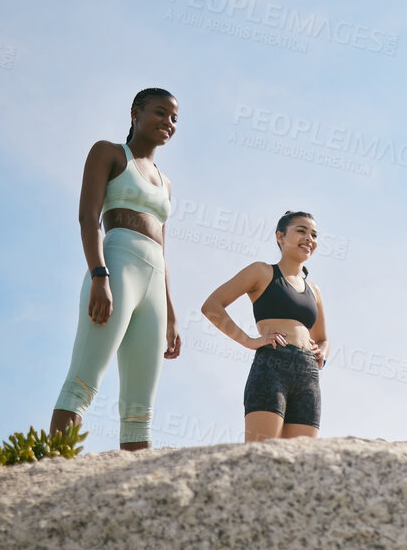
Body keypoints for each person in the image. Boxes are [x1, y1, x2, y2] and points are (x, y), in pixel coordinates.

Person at [50, 88, 182, 451]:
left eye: (174, 118)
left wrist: (171, 314)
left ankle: (136, 493)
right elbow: (87, 218)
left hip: (154, 284)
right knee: (83, 381)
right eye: (160, 113)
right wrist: (99, 275)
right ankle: (55, 471)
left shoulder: (166, 183)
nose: (168, 123)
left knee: (141, 408)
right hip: (117, 267)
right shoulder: (108, 153)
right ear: (135, 113)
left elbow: (164, 251)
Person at [200, 211, 330, 441]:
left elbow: (323, 339)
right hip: (272, 367)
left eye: (314, 234)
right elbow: (212, 306)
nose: (309, 238)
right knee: (262, 455)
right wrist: (249, 341)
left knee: (301, 463)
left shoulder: (315, 290)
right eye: (301, 231)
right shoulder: (262, 271)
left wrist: (323, 352)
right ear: (280, 236)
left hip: (308, 375)